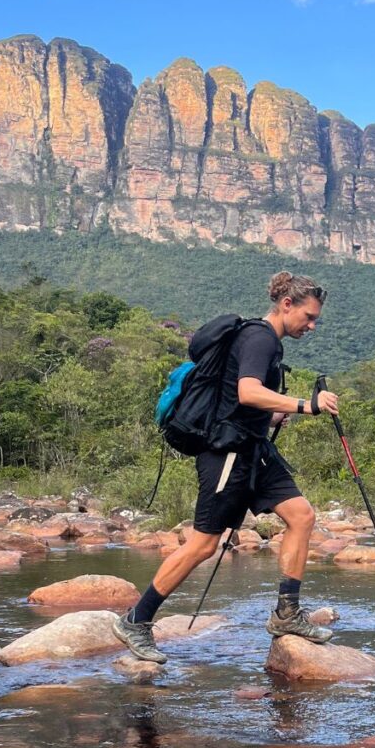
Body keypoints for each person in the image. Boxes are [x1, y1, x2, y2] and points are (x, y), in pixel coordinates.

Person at [114, 272, 340, 663]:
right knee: (203, 544)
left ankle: (287, 614)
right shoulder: (259, 338)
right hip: (227, 455)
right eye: (309, 316)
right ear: (287, 305)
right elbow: (248, 392)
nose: (312, 325)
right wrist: (307, 405)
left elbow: (239, 402)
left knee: (302, 516)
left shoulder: (268, 342)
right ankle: (136, 619)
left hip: (252, 450)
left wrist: (271, 419)